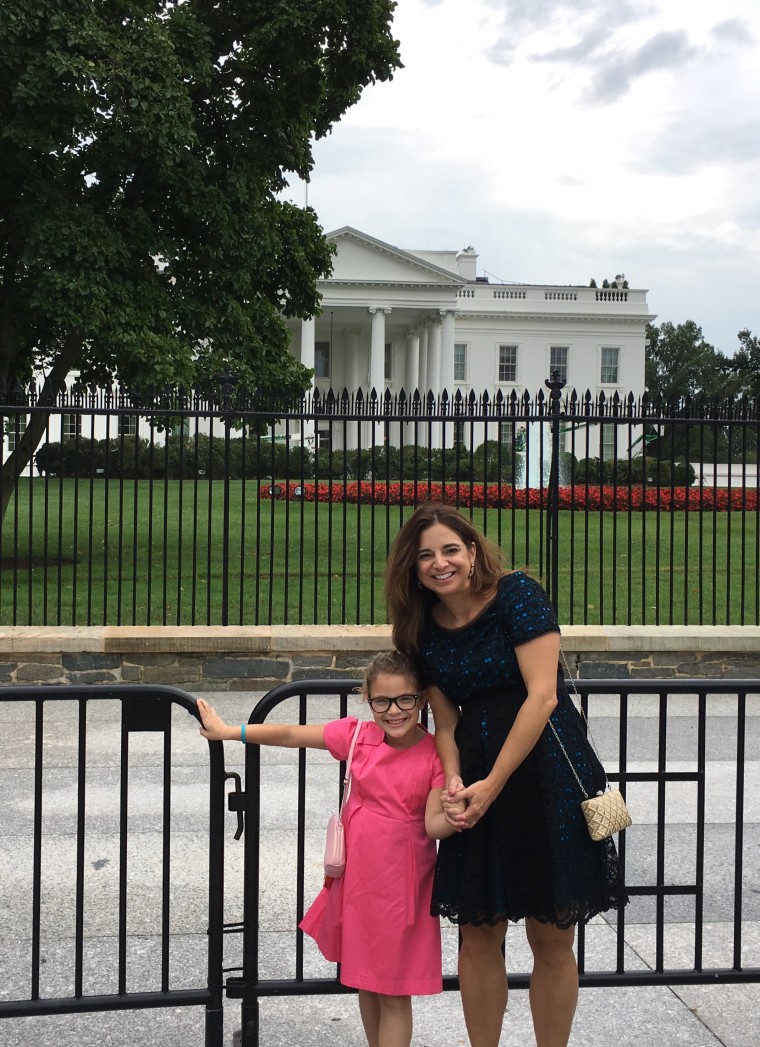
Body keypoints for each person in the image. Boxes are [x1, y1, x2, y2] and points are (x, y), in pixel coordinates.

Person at [385, 504, 628, 1047]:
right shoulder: (421, 628)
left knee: (551, 935)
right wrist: (454, 782)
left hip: (546, 774)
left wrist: (491, 784)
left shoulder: (517, 595)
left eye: (450, 549)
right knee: (478, 935)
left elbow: (542, 696)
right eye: (425, 555)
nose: (439, 563)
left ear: (473, 553)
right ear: (412, 566)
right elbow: (444, 720)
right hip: (474, 777)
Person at [197, 649, 458, 1047]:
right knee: (367, 983)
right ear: (366, 699)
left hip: (403, 887)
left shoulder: (434, 754)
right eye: (382, 701)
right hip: (359, 882)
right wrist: (229, 731)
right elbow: (290, 734)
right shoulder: (358, 736)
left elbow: (433, 824)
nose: (394, 711)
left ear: (421, 700)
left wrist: (458, 817)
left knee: (393, 992)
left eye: (406, 699)